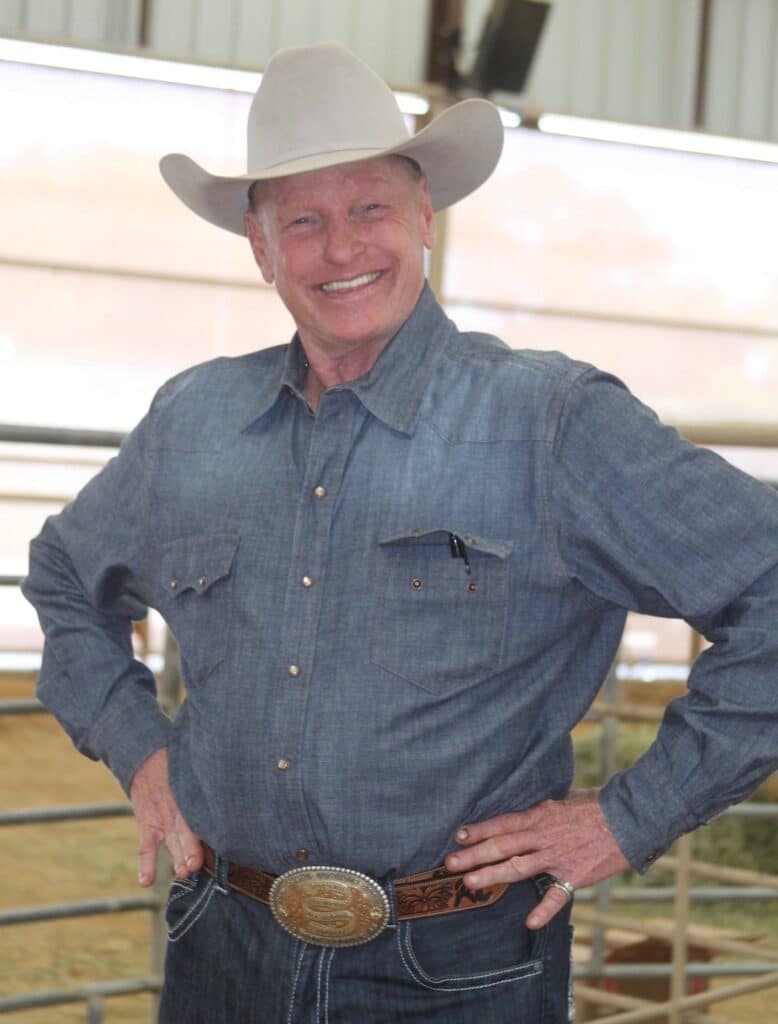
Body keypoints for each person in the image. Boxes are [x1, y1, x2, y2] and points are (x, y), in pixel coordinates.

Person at [23, 41, 778, 1024]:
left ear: (424, 217)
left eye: (370, 207)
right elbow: (65, 581)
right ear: (260, 248)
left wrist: (630, 816)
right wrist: (137, 746)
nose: (340, 249)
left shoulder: (547, 422)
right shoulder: (192, 425)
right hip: (222, 947)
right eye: (303, 220)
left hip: (455, 967)